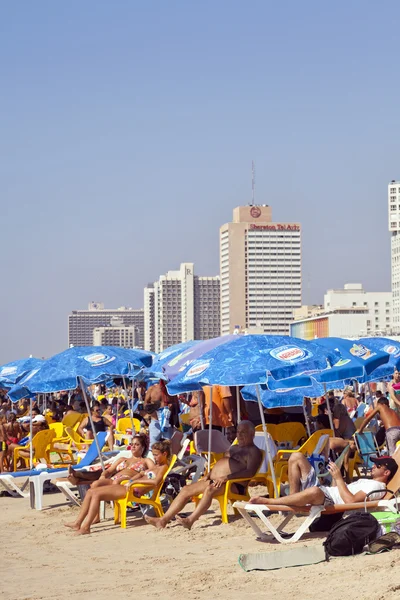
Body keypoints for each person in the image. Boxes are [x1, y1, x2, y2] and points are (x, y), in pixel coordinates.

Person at [145, 420, 262, 530]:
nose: (239, 435)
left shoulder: (253, 451)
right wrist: (209, 474)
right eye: (238, 432)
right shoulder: (234, 448)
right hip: (217, 481)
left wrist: (226, 478)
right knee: (186, 489)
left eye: (243, 432)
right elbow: (222, 463)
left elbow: (250, 472)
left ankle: (191, 519)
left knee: (210, 489)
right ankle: (163, 520)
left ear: (252, 434)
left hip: (234, 484)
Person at [64, 440, 171, 535]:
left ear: (164, 454)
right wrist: (132, 480)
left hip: (132, 491)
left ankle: (86, 527)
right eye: (153, 454)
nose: (154, 457)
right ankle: (77, 523)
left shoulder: (163, 467)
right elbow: (142, 473)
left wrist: (134, 482)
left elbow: (156, 482)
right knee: (91, 491)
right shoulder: (156, 466)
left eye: (156, 455)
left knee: (96, 493)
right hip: (129, 486)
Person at [250, 453, 397, 508]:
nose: (372, 466)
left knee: (314, 491)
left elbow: (351, 502)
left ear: (386, 472)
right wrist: (336, 479)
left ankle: (270, 502)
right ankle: (291, 500)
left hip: (328, 500)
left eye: (377, 465)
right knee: (296, 457)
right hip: (326, 492)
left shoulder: (377, 486)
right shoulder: (369, 481)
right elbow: (342, 490)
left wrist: (339, 478)